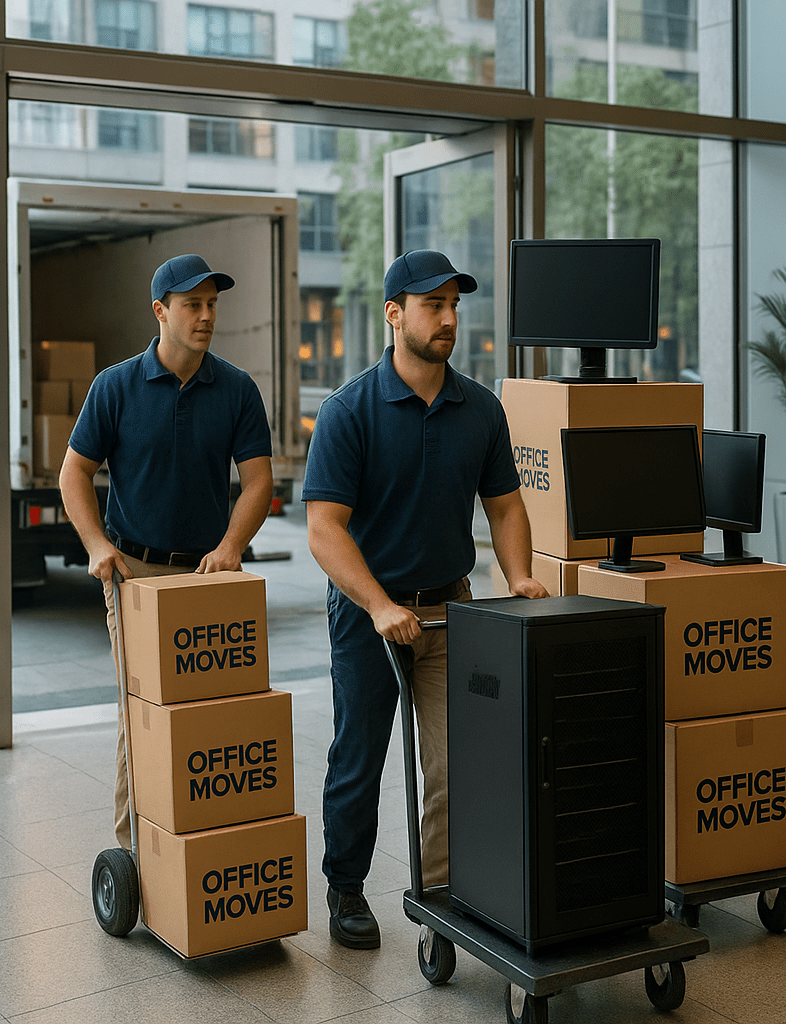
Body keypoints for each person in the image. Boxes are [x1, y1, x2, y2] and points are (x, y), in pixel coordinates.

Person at [303, 249, 548, 950]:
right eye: (432, 305)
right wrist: (379, 605)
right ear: (394, 314)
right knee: (360, 754)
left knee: (453, 760)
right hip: (367, 617)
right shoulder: (350, 411)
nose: (448, 319)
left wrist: (518, 574)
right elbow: (324, 530)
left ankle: (442, 896)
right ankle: (346, 886)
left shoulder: (481, 410)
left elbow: (504, 506)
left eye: (454, 306)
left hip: (449, 608)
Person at [60, 253, 275, 851]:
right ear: (161, 311)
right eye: (193, 305)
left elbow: (259, 481)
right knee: (142, 717)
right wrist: (98, 546)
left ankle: (200, 845)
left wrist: (233, 546)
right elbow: (73, 474)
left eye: (212, 305)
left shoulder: (235, 389)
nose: (207, 316)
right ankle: (134, 857)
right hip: (135, 576)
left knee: (210, 717)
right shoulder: (116, 386)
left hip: (208, 575)